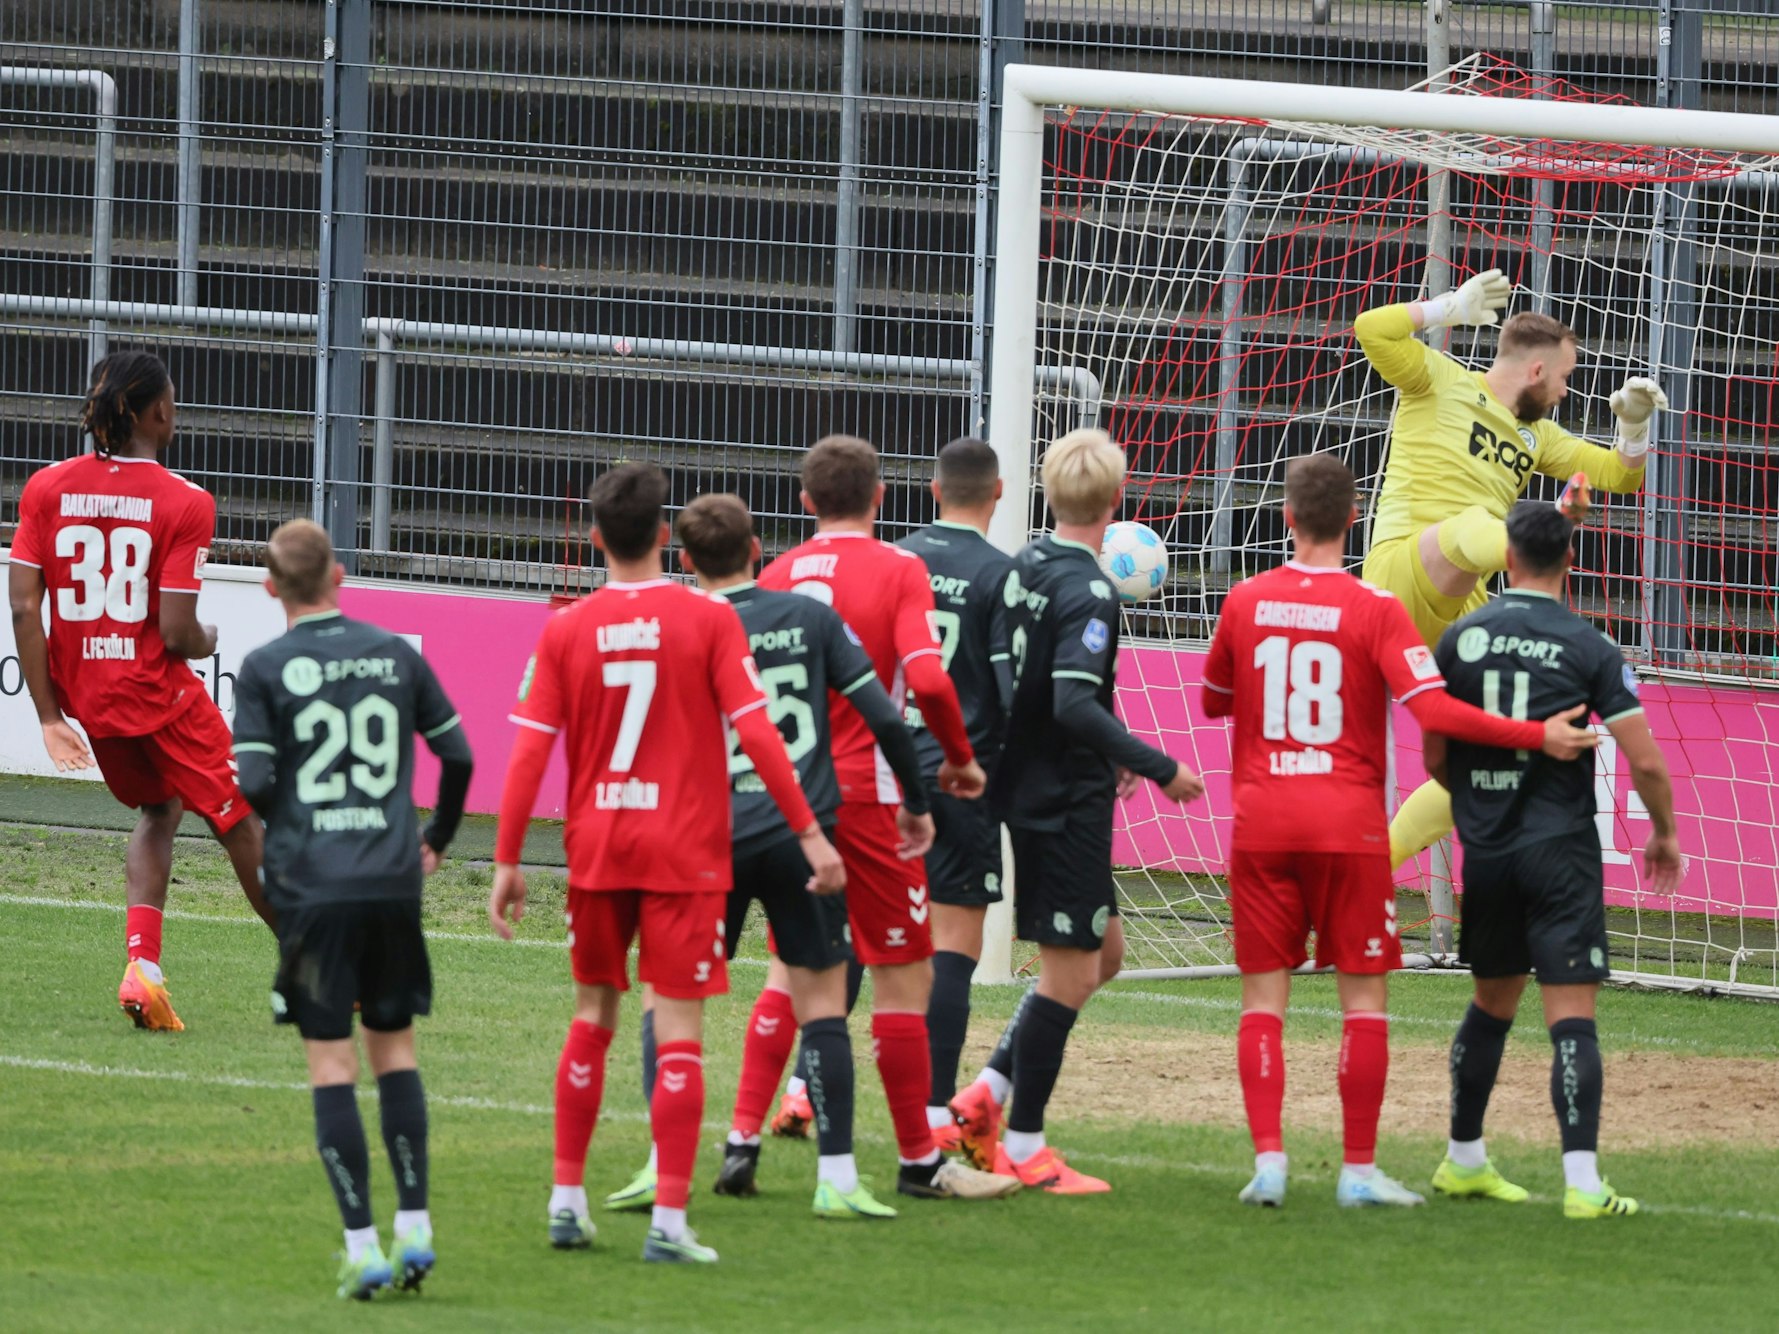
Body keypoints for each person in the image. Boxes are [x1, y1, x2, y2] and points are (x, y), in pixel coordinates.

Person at [1200, 454, 1602, 1210]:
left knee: (1261, 1003)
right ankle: (1355, 1172)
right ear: (1353, 520)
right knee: (1363, 1004)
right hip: (1348, 828)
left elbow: (1213, 701)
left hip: (1261, 824)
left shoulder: (1244, 600)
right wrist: (1531, 734)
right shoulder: (1375, 608)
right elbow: (1437, 713)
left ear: (1286, 517)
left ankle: (1269, 1164)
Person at [487, 462, 845, 1265]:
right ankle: (669, 1223)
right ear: (662, 536)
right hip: (683, 853)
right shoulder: (708, 621)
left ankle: (566, 1199)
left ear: (592, 537)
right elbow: (759, 738)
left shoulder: (566, 627)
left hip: (600, 850)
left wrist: (508, 858)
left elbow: (526, 754)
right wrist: (812, 837)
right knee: (677, 1025)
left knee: (592, 1019)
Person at [608, 492, 936, 1220]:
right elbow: (885, 712)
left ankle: (662, 1165)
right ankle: (838, 1179)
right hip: (796, 833)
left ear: (683, 558)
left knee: (669, 998)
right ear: (757, 549)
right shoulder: (811, 618)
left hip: (703, 839)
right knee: (821, 1001)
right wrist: (915, 801)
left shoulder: (679, 624)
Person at [754, 434, 1014, 1203]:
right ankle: (929, 1133)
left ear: (928, 490)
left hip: (794, 794)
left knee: (808, 959)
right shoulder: (969, 572)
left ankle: (782, 1106)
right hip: (904, 779)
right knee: (934, 951)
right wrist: (969, 760)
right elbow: (950, 681)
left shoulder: (781, 571)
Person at [230, 519, 472, 1299]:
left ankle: (363, 1246)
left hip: (314, 890)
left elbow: (255, 784)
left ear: (269, 588)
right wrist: (432, 837)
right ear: (338, 575)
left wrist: (298, 821)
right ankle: (417, 1230)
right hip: (392, 881)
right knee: (395, 1052)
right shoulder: (396, 652)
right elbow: (460, 755)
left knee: (332, 1065)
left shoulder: (265, 667)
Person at [1353, 271, 1665, 871]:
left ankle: (1365, 876)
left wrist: (1633, 429)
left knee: (1486, 762)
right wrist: (1445, 308)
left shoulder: (1536, 436)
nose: (1568, 393)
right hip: (1400, 567)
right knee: (1471, 524)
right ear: (1539, 371)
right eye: (1568, 378)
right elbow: (1372, 328)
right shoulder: (1438, 379)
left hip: (1462, 602)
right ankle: (1534, 564)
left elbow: (1621, 476)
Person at [1424, 501, 1683, 1219]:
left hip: (1488, 853)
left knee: (1490, 1004)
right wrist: (1662, 832)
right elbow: (1647, 764)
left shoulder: (1461, 637)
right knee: (1569, 1017)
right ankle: (1580, 1185)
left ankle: (1463, 1160)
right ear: (1569, 561)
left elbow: (1434, 752)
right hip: (1559, 851)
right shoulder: (1587, 645)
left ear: (1506, 558)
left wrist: (1477, 804)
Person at [964, 427, 1206, 1194]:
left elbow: (1020, 679)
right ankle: (1025, 1144)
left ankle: (984, 1097)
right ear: (1112, 502)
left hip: (1034, 783)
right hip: (1060, 800)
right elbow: (1071, 700)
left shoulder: (1022, 565)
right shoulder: (1091, 589)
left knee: (1104, 958)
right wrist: (1154, 763)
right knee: (1071, 974)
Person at [7, 350, 275, 1032]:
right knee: (239, 820)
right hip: (160, 696)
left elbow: (23, 607)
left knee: (160, 811)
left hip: (91, 701)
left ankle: (143, 969)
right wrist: (210, 640)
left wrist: (47, 713)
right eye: (174, 403)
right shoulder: (186, 502)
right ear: (160, 413)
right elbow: (177, 631)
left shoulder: (45, 487)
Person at [894, 438, 1016, 1147]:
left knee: (860, 936)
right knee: (953, 947)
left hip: (886, 773)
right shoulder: (1001, 576)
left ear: (932, 488)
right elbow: (1007, 691)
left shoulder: (898, 559)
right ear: (997, 491)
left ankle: (799, 1091)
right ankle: (935, 1112)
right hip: (961, 774)